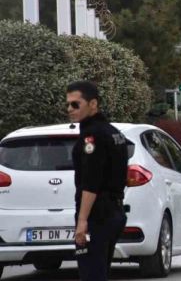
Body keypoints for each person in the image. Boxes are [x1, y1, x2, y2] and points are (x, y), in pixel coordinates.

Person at [67, 81, 128, 281]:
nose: (70, 109)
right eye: (68, 104)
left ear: (93, 104)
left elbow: (91, 182)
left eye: (76, 104)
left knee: (91, 274)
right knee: (100, 272)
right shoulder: (113, 132)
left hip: (97, 215)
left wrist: (82, 221)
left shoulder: (91, 136)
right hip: (114, 211)